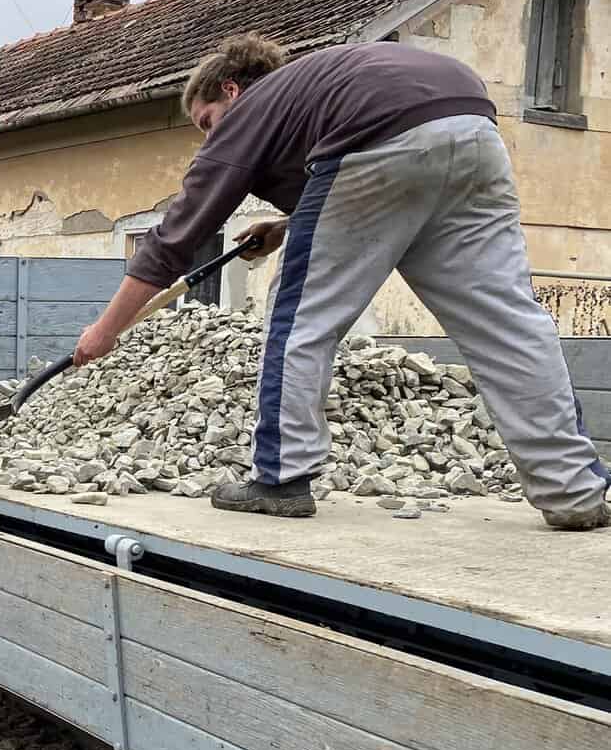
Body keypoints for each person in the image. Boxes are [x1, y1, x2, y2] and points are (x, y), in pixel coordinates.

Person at [71, 34, 610, 529]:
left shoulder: (252, 107)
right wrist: (287, 225)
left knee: (303, 319)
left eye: (207, 121)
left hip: (378, 143)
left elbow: (176, 236)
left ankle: (280, 478)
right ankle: (573, 490)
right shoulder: (323, 83)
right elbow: (382, 183)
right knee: (508, 323)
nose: (212, 136)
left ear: (230, 91)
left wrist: (106, 330)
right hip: (474, 132)